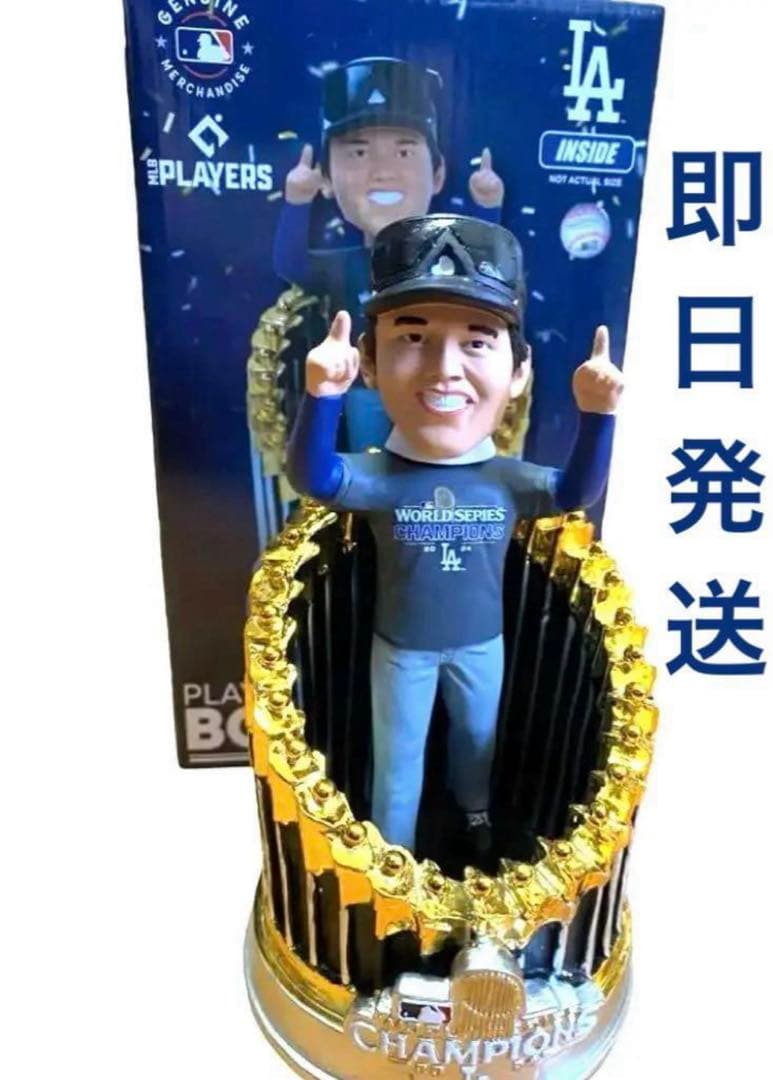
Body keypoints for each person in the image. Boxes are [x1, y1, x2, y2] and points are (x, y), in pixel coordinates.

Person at [287, 214, 623, 856]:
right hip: (400, 651)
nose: (444, 369)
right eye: (413, 338)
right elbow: (317, 477)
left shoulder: (505, 480)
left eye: (476, 342)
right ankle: (391, 857)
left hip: (482, 647)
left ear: (519, 372)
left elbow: (574, 492)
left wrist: (598, 416)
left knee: (477, 744)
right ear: (370, 362)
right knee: (398, 758)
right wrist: (321, 397)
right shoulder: (382, 478)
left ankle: (476, 818)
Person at [274, 57, 505, 450]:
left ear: (438, 175)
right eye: (359, 153)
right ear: (327, 179)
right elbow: (291, 265)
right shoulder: (344, 264)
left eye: (404, 152)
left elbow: (487, 272)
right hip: (364, 391)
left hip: (436, 387)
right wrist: (297, 202)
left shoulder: (445, 261)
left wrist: (487, 208)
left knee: (430, 461)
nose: (383, 171)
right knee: (371, 465)